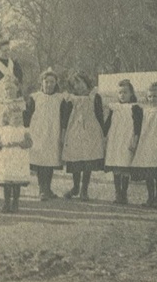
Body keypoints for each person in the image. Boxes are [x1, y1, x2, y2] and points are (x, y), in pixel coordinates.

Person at [60, 71, 106, 201]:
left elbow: (100, 114)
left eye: (80, 82)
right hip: (74, 130)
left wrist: (103, 134)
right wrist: (63, 132)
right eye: (75, 84)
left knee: (88, 159)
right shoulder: (70, 99)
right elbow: (65, 117)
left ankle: (84, 189)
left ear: (86, 82)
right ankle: (75, 187)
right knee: (76, 159)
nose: (78, 86)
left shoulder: (94, 97)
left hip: (91, 131)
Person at [130, 81, 157, 207]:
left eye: (155, 96)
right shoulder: (145, 110)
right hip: (146, 143)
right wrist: (136, 141)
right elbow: (138, 127)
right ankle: (150, 198)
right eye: (149, 96)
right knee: (148, 172)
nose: (152, 99)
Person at [25, 69, 65, 201]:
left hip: (53, 132)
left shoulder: (60, 99)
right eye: (46, 82)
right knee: (40, 162)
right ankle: (42, 189)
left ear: (56, 83)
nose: (49, 85)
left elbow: (64, 118)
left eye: (52, 82)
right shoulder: (34, 97)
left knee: (50, 161)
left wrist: (62, 134)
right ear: (41, 82)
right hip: (38, 132)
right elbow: (27, 116)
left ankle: (48, 188)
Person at [0, 102, 33, 214]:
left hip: (18, 159)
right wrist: (0, 144)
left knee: (16, 183)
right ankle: (6, 202)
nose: (18, 120)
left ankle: (15, 202)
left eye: (20, 118)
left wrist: (21, 144)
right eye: (15, 118)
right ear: (8, 118)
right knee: (7, 183)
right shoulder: (1, 130)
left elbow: (30, 142)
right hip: (6, 159)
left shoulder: (24, 130)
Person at [103, 79, 140, 205]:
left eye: (125, 92)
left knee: (125, 166)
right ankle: (117, 192)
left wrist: (135, 140)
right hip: (115, 140)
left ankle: (124, 192)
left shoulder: (134, 108)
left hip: (127, 140)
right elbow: (107, 123)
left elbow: (137, 126)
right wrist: (103, 135)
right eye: (120, 93)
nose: (122, 95)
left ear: (131, 94)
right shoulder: (114, 107)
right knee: (116, 167)